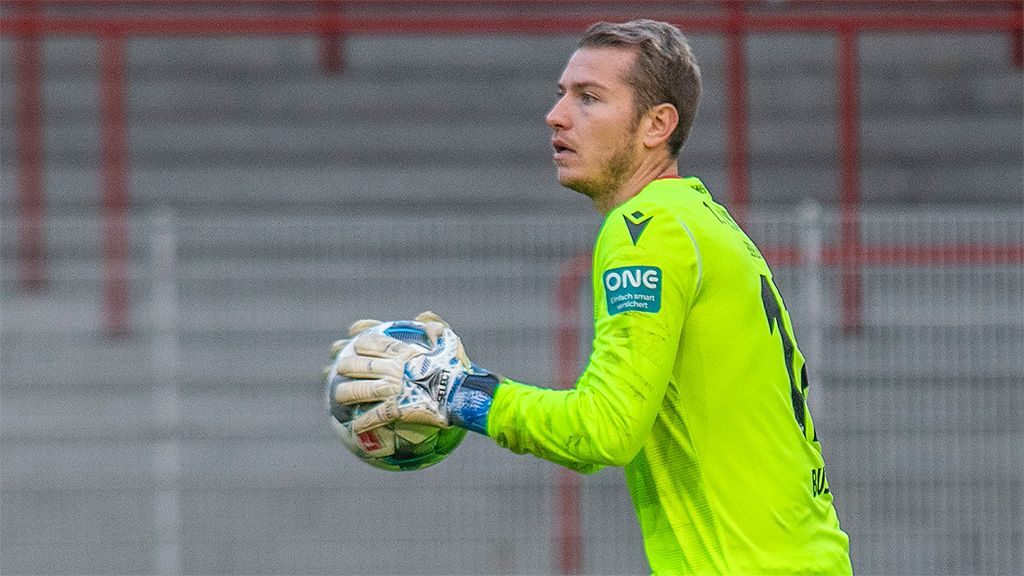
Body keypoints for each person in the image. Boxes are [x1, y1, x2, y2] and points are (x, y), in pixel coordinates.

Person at [330, 19, 852, 575]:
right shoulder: (703, 222)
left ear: (656, 124)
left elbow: (604, 429)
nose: (556, 115)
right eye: (562, 94)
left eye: (589, 98)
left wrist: (455, 392)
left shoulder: (646, 230)